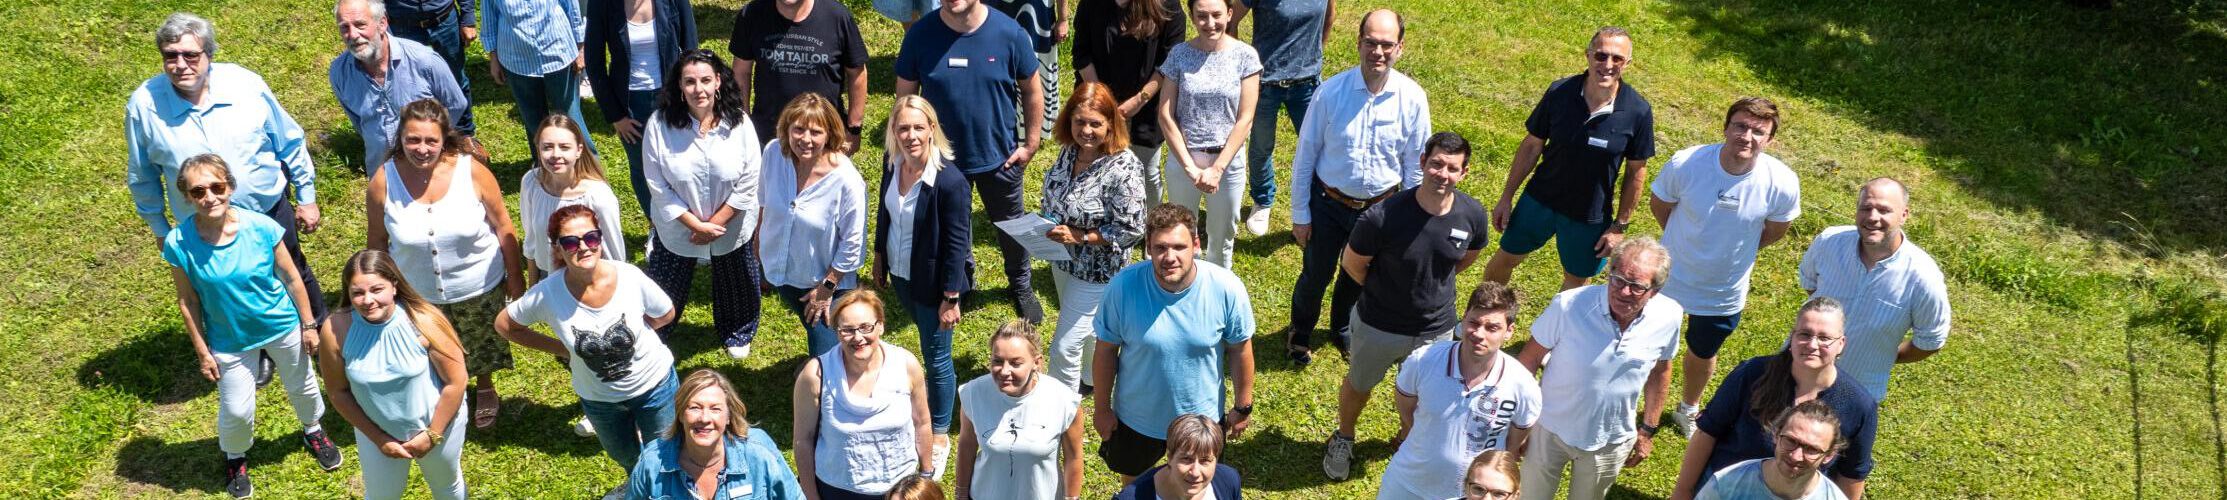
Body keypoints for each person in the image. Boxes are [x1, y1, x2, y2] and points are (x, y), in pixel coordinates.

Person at [129, 12, 329, 336]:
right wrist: (159, 228)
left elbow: (288, 138)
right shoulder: (144, 106)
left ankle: (319, 331)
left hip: (268, 208)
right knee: (227, 290)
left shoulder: (244, 84)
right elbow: (142, 175)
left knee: (292, 269)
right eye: (171, 56)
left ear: (209, 54)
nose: (181, 65)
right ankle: (259, 349)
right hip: (204, 224)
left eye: (190, 55)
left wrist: (306, 196)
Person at [162, 155, 341, 499]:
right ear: (186, 196)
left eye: (217, 187)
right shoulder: (179, 243)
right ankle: (235, 456)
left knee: (302, 385)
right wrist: (202, 351)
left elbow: (291, 276)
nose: (210, 197)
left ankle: (313, 429)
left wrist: (308, 324)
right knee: (237, 408)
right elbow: (188, 301)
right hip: (228, 340)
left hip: (281, 325)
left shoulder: (261, 227)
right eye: (199, 191)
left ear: (230, 186)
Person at [1322, 131, 1492, 481]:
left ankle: (1409, 437)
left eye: (1452, 168)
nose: (1442, 174)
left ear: (1464, 173)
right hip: (1378, 324)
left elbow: (1466, 258)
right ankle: (1344, 436)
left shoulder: (1472, 214)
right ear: (1422, 164)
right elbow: (1353, 265)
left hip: (1436, 328)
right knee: (1359, 384)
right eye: (1436, 164)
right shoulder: (1382, 217)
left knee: (1429, 394)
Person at [494, 204, 682, 499]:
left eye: (591, 238)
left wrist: (638, 334)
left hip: (654, 387)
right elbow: (506, 325)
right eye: (570, 242)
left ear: (600, 239)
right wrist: (561, 349)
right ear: (557, 248)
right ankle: (640, 485)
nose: (583, 247)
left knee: (667, 455)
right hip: (601, 401)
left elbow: (666, 313)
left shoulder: (629, 276)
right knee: (626, 457)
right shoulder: (548, 292)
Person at [1283, 9, 1431, 367]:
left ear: (1400, 48)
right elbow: (1305, 157)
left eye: (1386, 45)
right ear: (1358, 43)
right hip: (1328, 203)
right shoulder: (1330, 93)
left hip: (1380, 208)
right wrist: (1300, 214)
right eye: (1370, 43)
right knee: (1315, 274)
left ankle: (1342, 327)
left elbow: (1415, 164)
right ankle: (1300, 330)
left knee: (1358, 274)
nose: (1377, 52)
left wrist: (1410, 214)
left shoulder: (1412, 98)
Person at [367, 99, 526, 430]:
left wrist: (515, 278)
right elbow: (377, 242)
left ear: (444, 140)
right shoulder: (385, 180)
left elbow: (504, 227)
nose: (421, 149)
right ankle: (444, 389)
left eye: (430, 141)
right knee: (432, 346)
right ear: (400, 138)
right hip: (419, 292)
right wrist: (379, 287)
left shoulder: (472, 171)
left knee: (482, 339)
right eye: (413, 140)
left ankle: (484, 387)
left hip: (479, 283)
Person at [1651, 97, 1802, 437]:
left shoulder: (1782, 182)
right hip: (1669, 279)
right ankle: (1646, 405)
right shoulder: (1687, 163)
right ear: (1726, 127)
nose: (1747, 136)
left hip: (1723, 290)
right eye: (1740, 126)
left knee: (1703, 353)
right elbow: (1661, 205)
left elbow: (1775, 230)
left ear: (1770, 140)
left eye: (1758, 131)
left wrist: (1737, 250)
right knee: (1653, 346)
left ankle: (1688, 409)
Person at [893, 0, 1049, 322]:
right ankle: (963, 279)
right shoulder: (920, 35)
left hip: (1000, 159)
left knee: (1011, 227)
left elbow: (1032, 89)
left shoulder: (1009, 33)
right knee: (953, 227)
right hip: (942, 162)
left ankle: (1020, 284)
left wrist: (1031, 143)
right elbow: (905, 98)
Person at [1482, 26, 1656, 291]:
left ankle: (1558, 333)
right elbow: (1532, 146)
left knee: (1575, 281)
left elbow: (1636, 173)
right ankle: (1482, 315)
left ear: (1627, 64)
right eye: (1601, 56)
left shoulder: (1638, 111)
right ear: (1587, 55)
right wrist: (1506, 197)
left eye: (1617, 59)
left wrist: (1619, 227)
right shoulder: (1560, 91)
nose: (1607, 64)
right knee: (1505, 258)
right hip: (1540, 199)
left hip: (1588, 215)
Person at [1092, 204, 1257, 480]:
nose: (1169, 257)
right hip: (1136, 421)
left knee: (1196, 491)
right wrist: (1102, 409)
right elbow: (1106, 351)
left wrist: (1243, 406)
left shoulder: (1226, 288)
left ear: (1195, 244)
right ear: (1148, 248)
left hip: (1200, 423)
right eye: (1160, 248)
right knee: (1136, 490)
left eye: (1179, 247)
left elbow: (1240, 348)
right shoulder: (1123, 287)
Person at [1515, 237, 1681, 500]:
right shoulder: (1568, 305)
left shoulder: (1669, 316)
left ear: (1655, 291)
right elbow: (1529, 360)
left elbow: (1661, 370)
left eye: (1636, 287)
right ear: (1609, 273)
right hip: (1548, 429)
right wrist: (1521, 424)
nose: (1623, 292)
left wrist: (1648, 428)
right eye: (1618, 280)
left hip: (1611, 440)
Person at [1670, 298, 1877, 500]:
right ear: (1792, 337)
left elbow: (1852, 475)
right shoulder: (1754, 373)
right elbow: (1708, 431)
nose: (1813, 345)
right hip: (1726, 489)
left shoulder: (1858, 405)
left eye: (1824, 338)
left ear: (1841, 344)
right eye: (1805, 334)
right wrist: (1682, 493)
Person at [640, 51, 766, 360]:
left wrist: (717, 223)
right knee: (666, 282)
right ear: (679, 87)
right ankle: (656, 329)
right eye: (690, 82)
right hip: (679, 228)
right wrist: (696, 226)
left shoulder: (739, 123)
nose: (699, 89)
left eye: (706, 80)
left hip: (732, 224)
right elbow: (657, 183)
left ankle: (737, 328)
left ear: (719, 82)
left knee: (737, 277)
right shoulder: (660, 125)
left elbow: (751, 178)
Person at [316, 250, 470, 500]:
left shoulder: (424, 320)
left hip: (438, 426)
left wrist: (432, 435)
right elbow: (337, 392)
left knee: (446, 487)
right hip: (376, 433)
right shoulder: (336, 329)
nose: (367, 300)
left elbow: (457, 382)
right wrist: (379, 439)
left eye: (377, 290)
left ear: (394, 286)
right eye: (358, 293)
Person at [872, 95, 975, 464]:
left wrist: (951, 297)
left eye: (918, 127)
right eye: (903, 128)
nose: (911, 135)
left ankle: (942, 432)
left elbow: (956, 243)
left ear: (932, 129)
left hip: (934, 284)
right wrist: (879, 255)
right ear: (893, 132)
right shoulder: (892, 163)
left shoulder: (950, 182)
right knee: (926, 337)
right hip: (901, 274)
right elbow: (884, 214)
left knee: (937, 359)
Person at [1375, 282, 1539, 499]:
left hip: (1473, 494)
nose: (1479, 334)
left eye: (1492, 328)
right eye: (1474, 323)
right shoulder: (1423, 360)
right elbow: (1406, 408)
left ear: (1509, 331)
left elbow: (1513, 445)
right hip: (1408, 483)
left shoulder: (1523, 386)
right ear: (1463, 319)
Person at [1796, 177, 1951, 401]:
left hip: (1854, 393)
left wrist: (1886, 355)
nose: (1872, 217)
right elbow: (1811, 285)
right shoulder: (1829, 242)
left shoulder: (1923, 277)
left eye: (1884, 210)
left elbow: (1930, 340)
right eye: (1866, 208)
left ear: (1904, 215)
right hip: (1795, 375)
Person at [1040, 82, 1149, 392]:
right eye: (1079, 121)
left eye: (1095, 123)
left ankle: (1061, 411)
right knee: (1089, 330)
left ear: (1110, 124)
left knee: (1064, 346)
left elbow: (1133, 228)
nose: (1085, 130)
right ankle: (1092, 378)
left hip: (1098, 270)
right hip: (1063, 261)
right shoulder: (1068, 152)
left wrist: (1082, 236)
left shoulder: (1124, 167)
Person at [793, 292, 935, 499]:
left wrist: (926, 474)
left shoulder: (906, 364)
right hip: (838, 490)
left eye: (866, 327)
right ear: (837, 333)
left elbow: (922, 422)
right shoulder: (815, 375)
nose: (858, 337)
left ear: (881, 326)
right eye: (847, 330)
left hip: (900, 489)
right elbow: (803, 441)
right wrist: (811, 496)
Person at [759, 93, 869, 358]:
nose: (805, 139)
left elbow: (853, 245)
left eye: (815, 132)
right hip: (782, 273)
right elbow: (762, 203)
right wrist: (757, 255)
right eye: (798, 129)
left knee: (829, 357)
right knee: (817, 339)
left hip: (824, 284)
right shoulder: (774, 153)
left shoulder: (846, 180)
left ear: (829, 134)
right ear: (786, 129)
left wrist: (825, 288)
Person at [1153, 0, 1259, 268]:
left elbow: (1245, 119)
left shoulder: (1246, 57)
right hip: (1183, 162)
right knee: (1181, 233)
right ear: (1192, 16)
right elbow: (1166, 115)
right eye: (1202, 16)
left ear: (1230, 14)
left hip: (1227, 163)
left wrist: (1218, 169)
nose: (1209, 23)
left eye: (1216, 15)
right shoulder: (1179, 55)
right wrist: (1189, 167)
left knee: (1222, 237)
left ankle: (1219, 290)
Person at [329, 0, 472, 170]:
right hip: (383, 170)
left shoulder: (424, 61)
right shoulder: (339, 72)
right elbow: (358, 121)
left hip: (429, 165)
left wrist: (437, 135)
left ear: (382, 24)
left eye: (360, 25)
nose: (352, 35)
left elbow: (456, 104)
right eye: (344, 27)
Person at [1229, 0, 1332, 235]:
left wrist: (1314, 55)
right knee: (1261, 146)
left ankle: (1318, 203)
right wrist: (1238, 64)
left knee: (1319, 148)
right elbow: (1231, 18)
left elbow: (1328, 17)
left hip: (1307, 84)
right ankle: (1263, 200)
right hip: (1266, 83)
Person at [584, 0, 696, 214]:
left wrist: (689, 96)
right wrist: (616, 116)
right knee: (642, 166)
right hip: (631, 103)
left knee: (679, 161)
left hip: (673, 96)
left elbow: (691, 48)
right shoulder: (602, 4)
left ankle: (684, 219)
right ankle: (655, 224)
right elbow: (594, 61)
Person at [626, 369, 807, 499]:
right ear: (681, 414)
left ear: (728, 417)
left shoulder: (759, 455)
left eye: (715, 409)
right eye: (695, 408)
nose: (705, 418)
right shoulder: (653, 462)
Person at [954, 321, 1087, 500]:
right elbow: (966, 446)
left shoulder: (1063, 401)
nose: (1004, 371)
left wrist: (1071, 499)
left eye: (1016, 363)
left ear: (1036, 362)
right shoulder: (974, 394)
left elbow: (1074, 457)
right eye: (997, 361)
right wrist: (961, 493)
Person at [1071, 0, 1183, 208]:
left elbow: (1169, 62)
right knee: (1095, 164)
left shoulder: (1168, 6)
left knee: (1146, 171)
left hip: (1147, 104)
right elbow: (1081, 53)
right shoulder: (1090, 3)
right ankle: (1097, 218)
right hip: (1097, 104)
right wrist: (1102, 102)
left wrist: (1140, 99)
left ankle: (1149, 226)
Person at [729, 0, 870, 145]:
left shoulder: (837, 17)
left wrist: (854, 127)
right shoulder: (752, 14)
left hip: (823, 137)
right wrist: (743, 124)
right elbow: (741, 72)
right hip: (770, 138)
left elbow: (857, 74)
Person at [1691, 401, 1852, 500]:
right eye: (1791, 441)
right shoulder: (1727, 484)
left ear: (1829, 456)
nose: (1796, 456)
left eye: (1812, 449)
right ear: (1776, 435)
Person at [385, 0, 480, 140]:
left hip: (444, 20)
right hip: (402, 26)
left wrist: (468, 18)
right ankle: (415, 136)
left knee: (456, 79)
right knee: (408, 85)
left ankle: (464, 134)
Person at [982, 0, 1069, 140]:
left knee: (1036, 70)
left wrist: (1063, 19)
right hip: (994, 8)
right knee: (995, 65)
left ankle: (1033, 130)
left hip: (1037, 13)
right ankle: (994, 125)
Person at [1110, 414, 1243, 499]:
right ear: (1170, 457)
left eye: (1205, 461)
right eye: (1186, 459)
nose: (1195, 472)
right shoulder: (1131, 498)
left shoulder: (1229, 481)